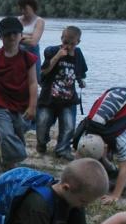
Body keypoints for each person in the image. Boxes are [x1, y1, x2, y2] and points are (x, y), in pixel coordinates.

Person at [0, 17, 37, 170]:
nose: (11, 37)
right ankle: (19, 156)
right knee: (5, 134)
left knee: (18, 133)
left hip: (21, 104)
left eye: (15, 34)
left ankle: (6, 161)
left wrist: (32, 106)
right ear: (0, 36)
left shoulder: (28, 58)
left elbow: (33, 83)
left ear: (21, 35)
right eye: (7, 34)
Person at [75, 87, 126, 204]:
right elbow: (78, 158)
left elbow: (124, 168)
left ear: (105, 146)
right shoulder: (84, 134)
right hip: (113, 94)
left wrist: (115, 196)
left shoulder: (121, 140)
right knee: (96, 155)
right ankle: (108, 169)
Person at [36, 26, 87, 161]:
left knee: (69, 126)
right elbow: (43, 72)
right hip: (49, 98)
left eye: (72, 44)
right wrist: (57, 56)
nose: (68, 46)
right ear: (61, 39)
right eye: (65, 43)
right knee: (42, 123)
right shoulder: (51, 51)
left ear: (78, 42)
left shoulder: (78, 55)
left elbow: (79, 72)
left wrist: (81, 81)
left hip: (68, 99)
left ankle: (62, 149)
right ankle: (41, 143)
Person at [17, 0, 45, 83]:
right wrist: (27, 37)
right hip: (18, 53)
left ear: (32, 7)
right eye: (21, 8)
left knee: (36, 79)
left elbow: (34, 42)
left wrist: (19, 37)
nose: (23, 11)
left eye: (25, 8)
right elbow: (12, 37)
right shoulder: (18, 20)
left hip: (33, 53)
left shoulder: (39, 21)